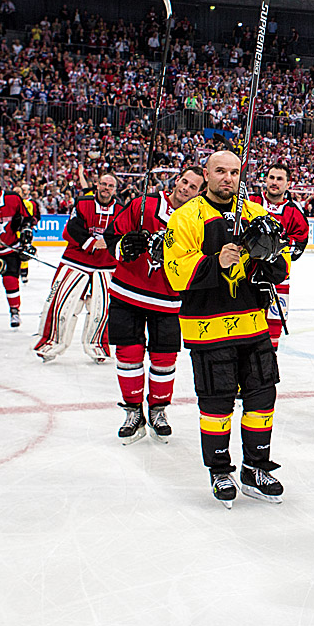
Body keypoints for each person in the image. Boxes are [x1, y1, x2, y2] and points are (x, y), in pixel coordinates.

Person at [163, 150, 291, 506]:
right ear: (206, 174)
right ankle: (220, 470)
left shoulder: (255, 213)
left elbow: (280, 268)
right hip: (209, 329)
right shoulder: (187, 216)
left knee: (263, 398)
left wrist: (270, 257)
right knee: (217, 406)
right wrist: (214, 261)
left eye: (234, 172)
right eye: (220, 171)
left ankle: (256, 468)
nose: (228, 178)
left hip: (253, 325)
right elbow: (175, 272)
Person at [103, 165, 204, 444]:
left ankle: (158, 410)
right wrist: (124, 247)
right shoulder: (142, 204)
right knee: (129, 353)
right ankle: (133, 412)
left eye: (193, 187)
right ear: (176, 180)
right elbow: (112, 236)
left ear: (199, 192)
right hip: (127, 294)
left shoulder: (196, 219)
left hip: (169, 301)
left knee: (164, 359)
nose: (186, 188)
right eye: (184, 181)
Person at [34, 173, 122, 362]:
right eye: (104, 184)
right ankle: (50, 342)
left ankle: (99, 345)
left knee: (103, 307)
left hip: (106, 265)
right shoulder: (82, 203)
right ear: (97, 185)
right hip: (76, 260)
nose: (106, 188)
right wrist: (92, 243)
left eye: (111, 186)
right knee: (60, 302)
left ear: (115, 189)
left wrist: (108, 245)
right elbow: (72, 228)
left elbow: (121, 233)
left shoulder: (121, 209)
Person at [249, 162, 310, 350]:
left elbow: (299, 245)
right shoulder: (250, 202)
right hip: (246, 274)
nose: (274, 182)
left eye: (279, 179)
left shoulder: (294, 212)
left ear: (287, 184)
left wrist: (274, 249)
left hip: (278, 279)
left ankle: (268, 369)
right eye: (271, 178)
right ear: (265, 180)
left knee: (274, 326)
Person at [0, 172, 33, 328]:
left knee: (10, 280)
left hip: (11, 249)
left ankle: (15, 312)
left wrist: (26, 231)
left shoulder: (13, 198)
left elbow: (27, 218)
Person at [18, 183, 38, 283]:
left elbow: (36, 216)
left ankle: (24, 273)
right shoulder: (14, 202)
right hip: (14, 231)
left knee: (25, 250)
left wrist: (31, 223)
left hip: (26, 230)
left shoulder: (32, 203)